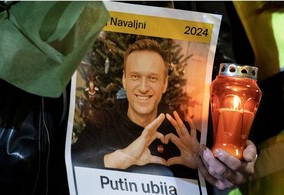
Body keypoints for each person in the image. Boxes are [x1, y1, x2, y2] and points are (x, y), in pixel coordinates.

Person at [72, 38, 258, 187]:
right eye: (135, 76)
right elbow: (70, 167)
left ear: (165, 84)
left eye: (153, 78)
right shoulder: (102, 122)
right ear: (124, 80)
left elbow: (225, 174)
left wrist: (224, 166)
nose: (143, 88)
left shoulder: (185, 133)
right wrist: (121, 158)